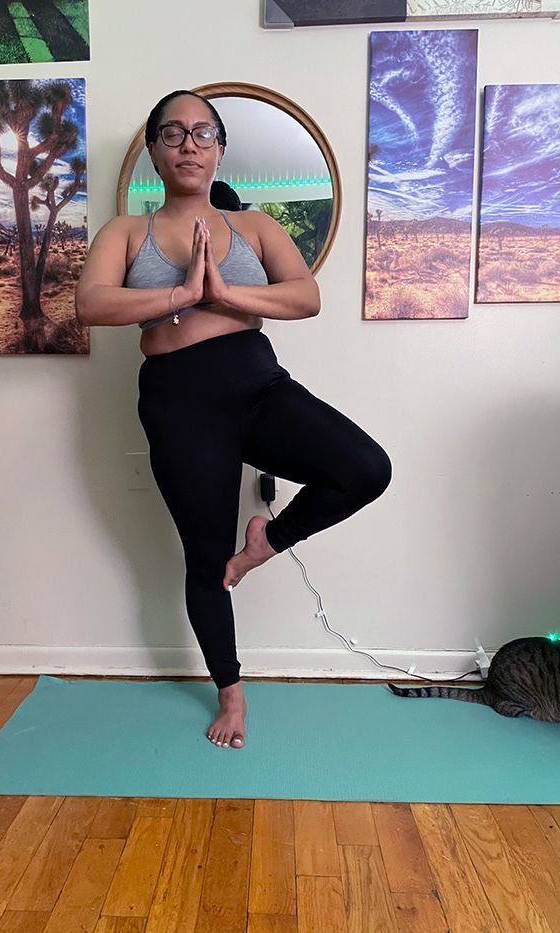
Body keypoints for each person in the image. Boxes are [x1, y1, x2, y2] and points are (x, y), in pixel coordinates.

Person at [75, 89, 392, 751]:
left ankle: (264, 545)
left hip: (255, 383)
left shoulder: (254, 227)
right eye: (173, 133)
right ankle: (231, 691)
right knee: (203, 556)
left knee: (365, 468)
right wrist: (179, 294)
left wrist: (222, 294)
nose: (188, 143)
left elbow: (305, 296)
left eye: (202, 132)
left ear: (220, 148)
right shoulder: (127, 231)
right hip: (177, 399)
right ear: (155, 154)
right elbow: (91, 303)